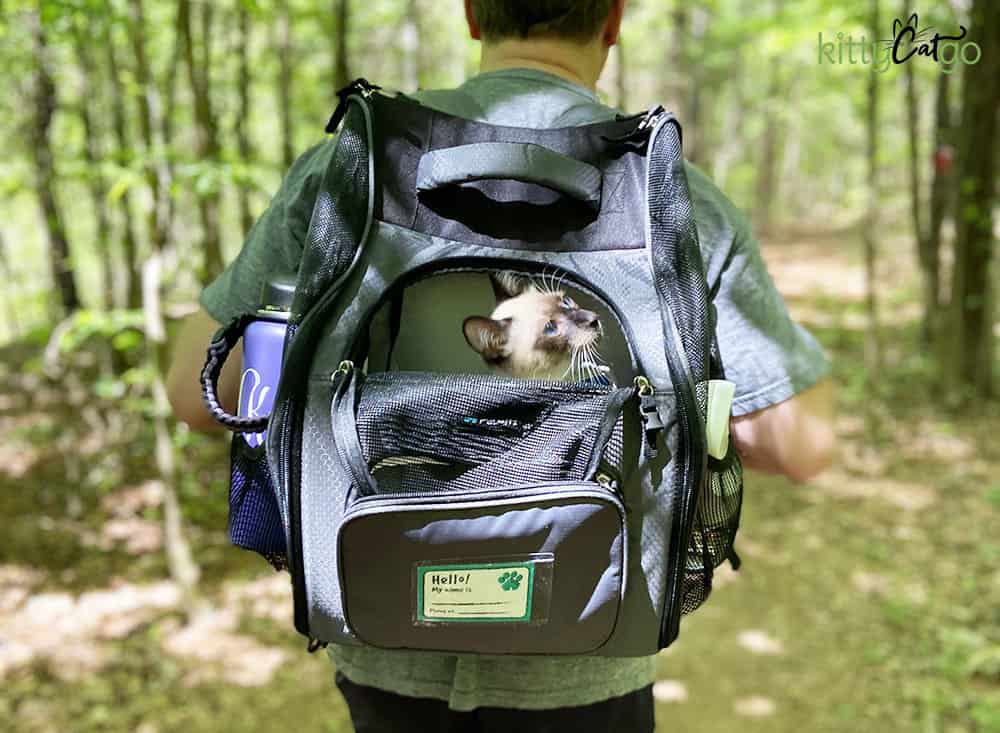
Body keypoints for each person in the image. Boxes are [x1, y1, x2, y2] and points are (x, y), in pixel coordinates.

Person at [166, 1, 836, 730]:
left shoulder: (350, 170)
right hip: (597, 641)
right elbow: (798, 443)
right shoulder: (670, 196)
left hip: (381, 628)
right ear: (612, 21)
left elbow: (200, 393)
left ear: (472, 15)